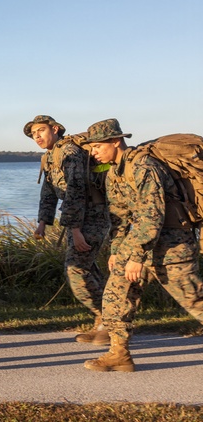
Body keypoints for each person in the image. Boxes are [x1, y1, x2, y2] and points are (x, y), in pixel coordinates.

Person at [81, 119, 203, 372]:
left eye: (97, 146)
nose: (93, 153)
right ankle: (119, 354)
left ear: (116, 141)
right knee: (115, 296)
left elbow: (152, 215)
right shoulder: (114, 172)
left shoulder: (144, 167)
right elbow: (120, 217)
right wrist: (117, 251)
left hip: (172, 246)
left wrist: (136, 257)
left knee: (195, 300)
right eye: (91, 148)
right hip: (140, 244)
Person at [24, 115, 109, 344]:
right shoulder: (50, 155)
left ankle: (111, 321)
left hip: (92, 215)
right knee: (87, 268)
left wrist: (75, 229)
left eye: (41, 130)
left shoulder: (70, 151)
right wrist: (43, 222)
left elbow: (76, 190)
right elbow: (48, 191)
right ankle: (105, 323)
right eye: (33, 134)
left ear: (55, 129)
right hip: (81, 217)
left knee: (76, 270)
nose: (37, 136)